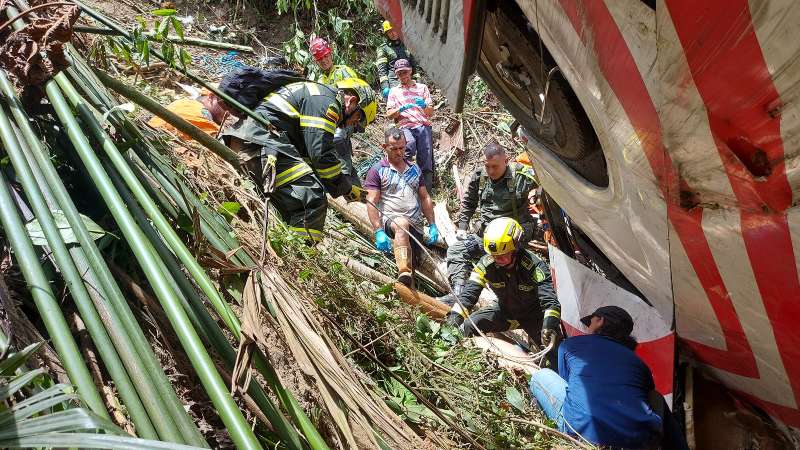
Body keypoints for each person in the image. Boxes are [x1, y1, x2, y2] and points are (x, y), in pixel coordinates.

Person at [218, 67, 376, 243]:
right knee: (311, 197)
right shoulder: (326, 102)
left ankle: (277, 244)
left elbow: (310, 157)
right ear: (352, 101)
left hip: (251, 142)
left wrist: (347, 188)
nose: (352, 125)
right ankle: (299, 255)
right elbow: (321, 155)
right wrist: (345, 187)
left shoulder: (316, 96)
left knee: (292, 200)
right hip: (260, 145)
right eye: (358, 119)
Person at [529, 306, 689, 450]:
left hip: (582, 431)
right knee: (655, 397)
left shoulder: (570, 345)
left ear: (600, 321)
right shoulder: (639, 363)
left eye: (590, 322)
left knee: (541, 375)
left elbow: (568, 386)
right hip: (638, 440)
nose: (588, 327)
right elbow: (645, 396)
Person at [444, 217, 561, 367]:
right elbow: (468, 296)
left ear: (516, 247)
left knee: (555, 356)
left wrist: (549, 326)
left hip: (534, 317)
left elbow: (551, 303)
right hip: (506, 313)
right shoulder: (485, 266)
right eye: (494, 255)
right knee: (469, 326)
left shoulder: (534, 266)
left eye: (504, 255)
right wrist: (453, 320)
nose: (498, 259)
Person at [444, 140, 537, 299]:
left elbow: (550, 185)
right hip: (487, 236)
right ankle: (459, 293)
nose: (491, 171)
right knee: (456, 251)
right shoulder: (480, 176)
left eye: (495, 166)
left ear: (506, 161)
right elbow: (469, 202)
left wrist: (538, 195)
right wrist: (463, 226)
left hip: (512, 239)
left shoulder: (522, 176)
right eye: (487, 166)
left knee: (505, 266)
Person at [365, 127, 438, 286]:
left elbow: (424, 197)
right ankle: (403, 270)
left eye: (402, 148)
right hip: (392, 221)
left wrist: (432, 224)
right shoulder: (378, 170)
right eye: (394, 149)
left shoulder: (414, 169)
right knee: (402, 224)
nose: (399, 152)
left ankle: (408, 287)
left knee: (412, 266)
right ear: (384, 147)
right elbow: (371, 201)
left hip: (416, 224)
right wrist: (378, 230)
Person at [308, 37, 362, 188]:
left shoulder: (344, 72)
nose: (324, 60)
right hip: (330, 121)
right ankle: (356, 190)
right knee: (336, 153)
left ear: (330, 54)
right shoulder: (319, 79)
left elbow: (358, 95)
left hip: (348, 118)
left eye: (325, 56)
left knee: (337, 140)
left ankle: (345, 184)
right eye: (320, 59)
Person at [386, 59, 435, 191]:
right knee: (408, 146)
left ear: (411, 71)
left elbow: (430, 112)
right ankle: (404, 185)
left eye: (405, 72)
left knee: (426, 155)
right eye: (400, 73)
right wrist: (400, 110)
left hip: (422, 124)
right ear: (396, 75)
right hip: (404, 125)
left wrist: (424, 106)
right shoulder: (394, 91)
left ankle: (426, 191)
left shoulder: (422, 88)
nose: (403, 76)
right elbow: (390, 114)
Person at [147, 89, 227, 139]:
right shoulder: (204, 116)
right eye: (228, 105)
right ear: (211, 97)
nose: (230, 113)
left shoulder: (184, 102)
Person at [375, 20, 418, 99]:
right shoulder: (383, 49)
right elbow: (382, 70)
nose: (393, 33)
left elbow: (414, 65)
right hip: (394, 82)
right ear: (386, 34)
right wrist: (385, 87)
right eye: (389, 32)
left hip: (409, 79)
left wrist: (418, 80)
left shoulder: (407, 44)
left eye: (394, 30)